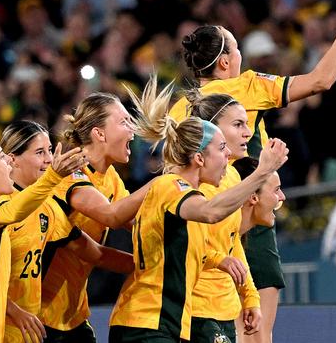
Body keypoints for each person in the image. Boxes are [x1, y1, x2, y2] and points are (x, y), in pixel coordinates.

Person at [173, 0, 336, 343]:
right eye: (236, 45)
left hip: (201, 219)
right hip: (248, 207)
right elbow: (320, 80)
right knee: (258, 331)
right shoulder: (244, 87)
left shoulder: (178, 108)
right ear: (225, 61)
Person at [108, 77, 288, 343]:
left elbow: (227, 241)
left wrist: (248, 293)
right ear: (200, 156)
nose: (228, 154)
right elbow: (210, 213)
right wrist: (262, 172)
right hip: (148, 319)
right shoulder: (171, 186)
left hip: (170, 320)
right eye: (222, 147)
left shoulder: (202, 185)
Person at [0, 120, 135, 343]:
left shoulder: (49, 207)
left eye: (50, 150)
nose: (49, 160)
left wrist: (149, 264)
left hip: (49, 322)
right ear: (12, 159)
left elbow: (95, 252)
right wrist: (158, 185)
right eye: (40, 152)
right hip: (11, 323)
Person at [39, 92, 156, 342]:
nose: (133, 130)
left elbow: (136, 223)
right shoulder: (70, 172)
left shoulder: (111, 177)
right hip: (40, 316)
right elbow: (112, 216)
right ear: (99, 133)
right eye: (124, 122)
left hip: (74, 315)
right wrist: (162, 184)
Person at [0, 134, 85, 343]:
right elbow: (12, 212)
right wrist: (53, 176)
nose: (9, 164)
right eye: (2, 158)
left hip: (6, 326)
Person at [186, 93, 262, 343]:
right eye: (238, 124)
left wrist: (250, 295)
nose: (247, 133)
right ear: (212, 130)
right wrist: (265, 170)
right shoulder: (191, 184)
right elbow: (185, 245)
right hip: (196, 307)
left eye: (247, 124)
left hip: (226, 308)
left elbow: (233, 240)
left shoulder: (230, 177)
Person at [232, 157, 286, 236]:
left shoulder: (235, 241)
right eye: (276, 190)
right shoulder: (218, 238)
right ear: (253, 197)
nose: (283, 197)